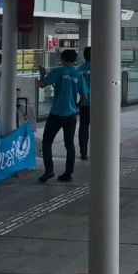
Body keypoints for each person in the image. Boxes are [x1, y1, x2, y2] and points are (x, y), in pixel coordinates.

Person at [37, 49, 83, 183]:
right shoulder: (78, 75)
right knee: (69, 144)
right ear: (74, 60)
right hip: (71, 115)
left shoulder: (57, 71)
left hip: (56, 113)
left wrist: (42, 75)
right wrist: (76, 106)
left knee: (47, 141)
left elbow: (41, 85)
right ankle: (68, 173)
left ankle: (49, 170)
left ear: (62, 59)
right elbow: (84, 96)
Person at [77, 47, 91, 161]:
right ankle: (99, 149)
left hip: (84, 103)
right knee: (99, 129)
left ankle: (83, 152)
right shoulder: (100, 68)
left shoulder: (79, 69)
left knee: (83, 128)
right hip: (98, 105)